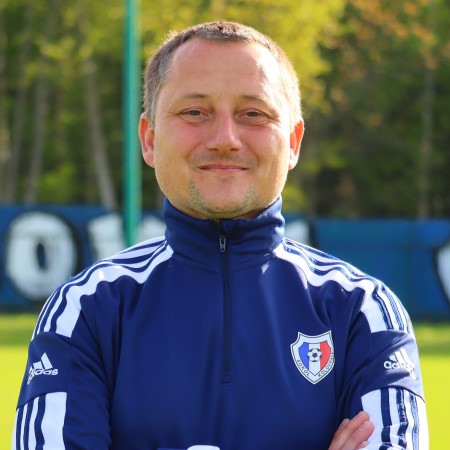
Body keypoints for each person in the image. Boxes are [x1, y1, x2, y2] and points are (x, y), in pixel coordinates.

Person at [12, 21, 428, 450]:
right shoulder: (86, 310)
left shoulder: (362, 311)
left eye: (253, 114)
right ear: (150, 139)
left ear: (293, 141)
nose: (225, 139)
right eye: (195, 112)